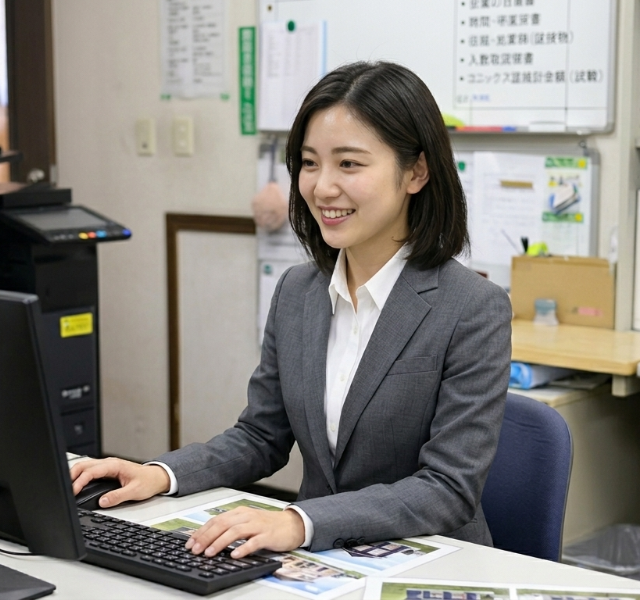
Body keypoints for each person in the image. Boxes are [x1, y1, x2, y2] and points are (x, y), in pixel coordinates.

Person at [71, 61, 512, 562]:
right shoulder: (298, 291)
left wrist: (300, 521)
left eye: (349, 164)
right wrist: (160, 474)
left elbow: (447, 488)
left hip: (434, 564)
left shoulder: (473, 308)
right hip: (321, 564)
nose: (322, 187)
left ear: (416, 172)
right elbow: (261, 436)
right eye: (309, 163)